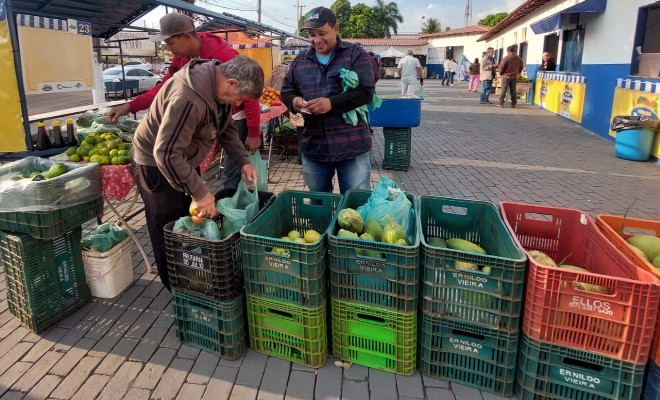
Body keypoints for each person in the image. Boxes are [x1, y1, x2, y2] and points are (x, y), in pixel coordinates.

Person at [131, 56, 263, 290]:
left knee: (189, 219)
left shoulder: (218, 87)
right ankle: (175, 286)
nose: (238, 103)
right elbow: (166, 153)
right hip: (156, 164)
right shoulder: (188, 98)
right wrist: (201, 193)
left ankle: (193, 275)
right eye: (240, 98)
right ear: (231, 83)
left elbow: (226, 129)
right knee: (169, 227)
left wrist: (243, 160)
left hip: (181, 158)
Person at [107, 13, 261, 191]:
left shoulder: (224, 61)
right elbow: (166, 151)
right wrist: (132, 105)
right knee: (171, 209)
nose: (169, 49)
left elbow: (244, 100)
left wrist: (252, 135)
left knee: (187, 201)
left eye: (171, 43)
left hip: (182, 152)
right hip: (159, 156)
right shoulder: (188, 93)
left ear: (186, 37)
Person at [281, 6, 375, 194]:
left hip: (351, 145)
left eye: (322, 33)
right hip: (314, 145)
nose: (316, 40)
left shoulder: (354, 54)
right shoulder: (300, 61)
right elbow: (286, 91)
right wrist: (296, 102)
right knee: (319, 204)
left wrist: (331, 104)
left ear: (336, 28)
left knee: (355, 205)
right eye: (311, 34)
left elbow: (366, 92)